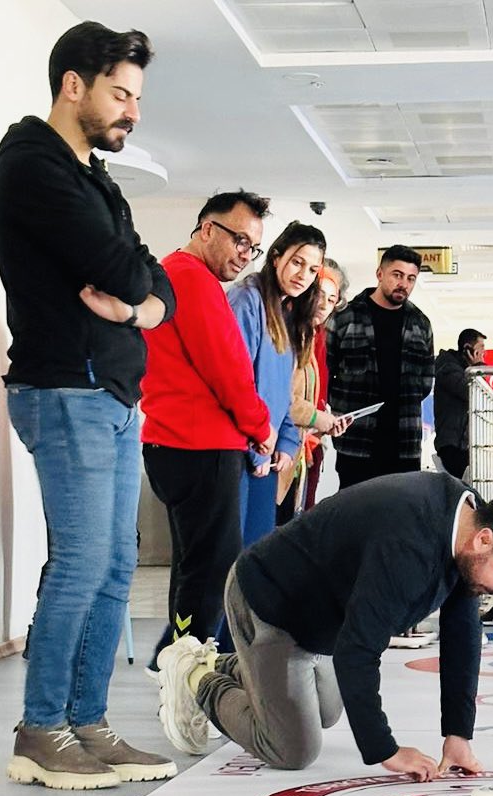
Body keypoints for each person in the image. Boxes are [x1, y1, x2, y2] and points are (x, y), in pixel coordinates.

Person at [0, 21, 177, 789]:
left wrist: (139, 310)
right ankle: (42, 729)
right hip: (65, 387)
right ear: (74, 85)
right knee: (82, 561)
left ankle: (87, 724)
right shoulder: (33, 162)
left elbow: (151, 280)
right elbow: (121, 265)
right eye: (120, 94)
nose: (133, 111)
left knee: (114, 565)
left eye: (137, 97)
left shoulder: (92, 176)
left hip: (112, 393)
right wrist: (138, 289)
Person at [154, 473, 493, 780]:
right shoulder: (409, 542)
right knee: (293, 748)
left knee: (328, 711)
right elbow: (357, 652)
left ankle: (234, 665)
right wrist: (385, 750)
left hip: (318, 622)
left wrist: (458, 734)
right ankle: (195, 673)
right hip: (269, 602)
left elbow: (462, 636)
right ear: (484, 540)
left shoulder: (470, 521)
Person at [140, 191, 275, 669]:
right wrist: (260, 426)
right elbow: (227, 368)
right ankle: (189, 671)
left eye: (253, 247)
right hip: (199, 445)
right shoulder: (191, 278)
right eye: (239, 240)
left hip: (175, 442)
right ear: (207, 229)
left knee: (195, 565)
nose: (245, 254)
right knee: (211, 568)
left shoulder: (174, 274)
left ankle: (177, 665)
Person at [229, 221, 326, 545]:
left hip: (267, 452)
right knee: (230, 556)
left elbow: (281, 390)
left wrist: (286, 441)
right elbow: (236, 382)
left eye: (312, 269)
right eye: (297, 262)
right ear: (276, 257)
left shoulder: (288, 313)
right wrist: (257, 448)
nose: (303, 275)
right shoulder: (247, 299)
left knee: (256, 552)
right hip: (243, 451)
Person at [328, 246, 435, 488]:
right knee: (355, 507)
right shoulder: (345, 317)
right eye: (397, 275)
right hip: (356, 440)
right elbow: (326, 372)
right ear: (380, 274)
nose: (404, 284)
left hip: (404, 442)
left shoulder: (420, 324)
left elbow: (425, 382)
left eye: (411, 279)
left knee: (402, 508)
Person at [277, 264, 351, 522]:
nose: (323, 305)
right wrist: (317, 418)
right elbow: (280, 397)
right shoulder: (285, 331)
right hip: (279, 447)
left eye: (331, 300)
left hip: (302, 446)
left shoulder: (311, 335)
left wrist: (324, 419)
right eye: (319, 295)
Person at [434, 328, 486, 479]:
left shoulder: (460, 370)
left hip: (461, 444)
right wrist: (477, 367)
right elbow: (470, 392)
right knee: (468, 481)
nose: (483, 353)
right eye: (481, 348)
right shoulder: (448, 368)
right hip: (452, 445)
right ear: (468, 349)